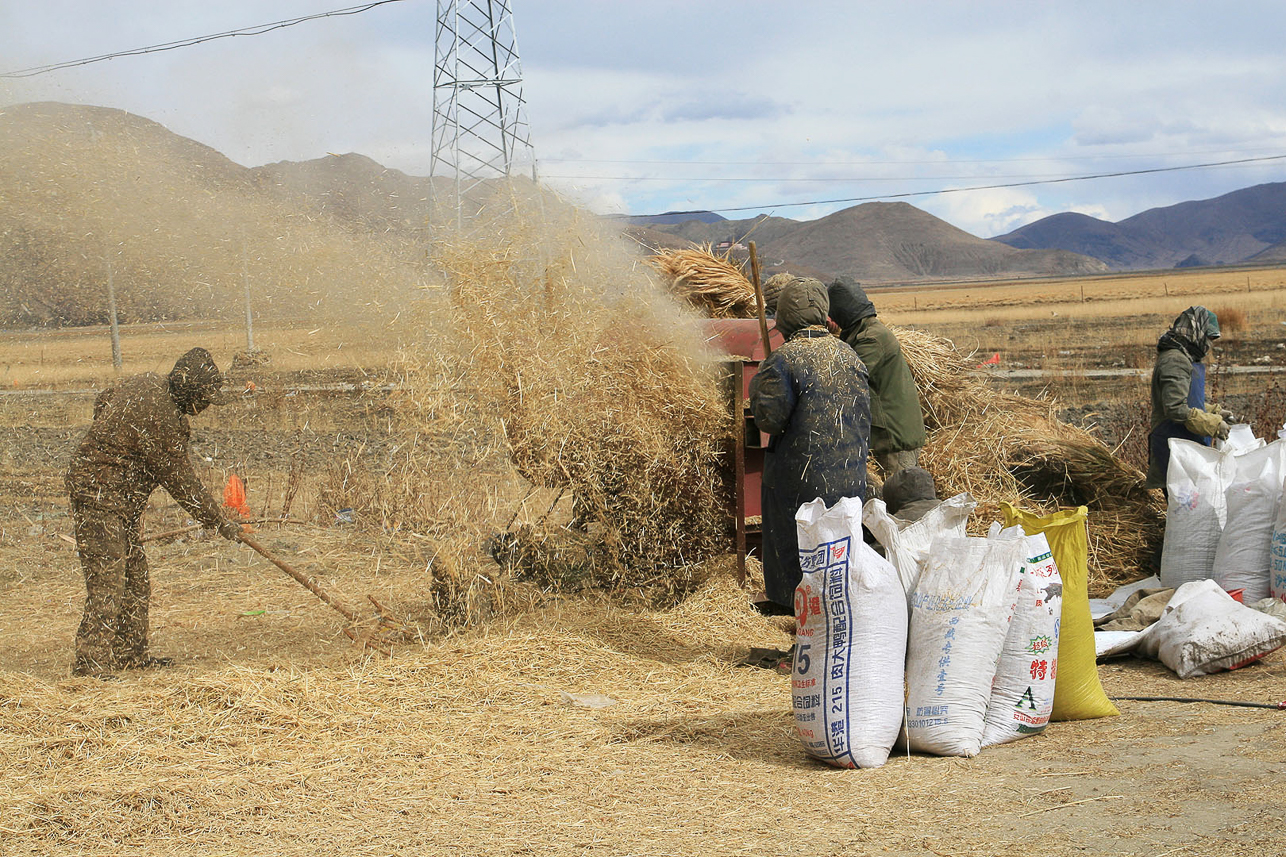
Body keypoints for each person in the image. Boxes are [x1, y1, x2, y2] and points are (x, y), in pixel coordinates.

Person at [66, 347, 243, 678]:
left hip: (116, 498)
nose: (205, 408)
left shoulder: (149, 383)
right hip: (100, 496)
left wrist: (117, 445)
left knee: (135, 578)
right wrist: (219, 522)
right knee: (108, 580)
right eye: (204, 399)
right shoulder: (161, 416)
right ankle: (89, 664)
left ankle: (130, 654)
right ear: (191, 391)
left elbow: (104, 401)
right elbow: (182, 483)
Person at [749, 277, 871, 612]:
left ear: (784, 317)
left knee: (800, 564)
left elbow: (768, 420)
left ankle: (802, 637)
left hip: (800, 486)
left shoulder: (784, 360)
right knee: (837, 563)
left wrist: (760, 383)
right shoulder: (849, 355)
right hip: (850, 480)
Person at [827, 277, 927, 476]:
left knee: (895, 499)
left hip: (893, 439)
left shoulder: (871, 338)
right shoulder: (864, 331)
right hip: (891, 435)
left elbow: (847, 378)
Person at [1145, 306, 1232, 492]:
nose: (1210, 345)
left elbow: (1186, 400)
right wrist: (1213, 424)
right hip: (1174, 447)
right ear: (1196, 332)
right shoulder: (1175, 360)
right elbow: (1175, 408)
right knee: (1185, 511)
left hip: (1187, 445)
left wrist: (1214, 412)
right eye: (1208, 338)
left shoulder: (1186, 357)